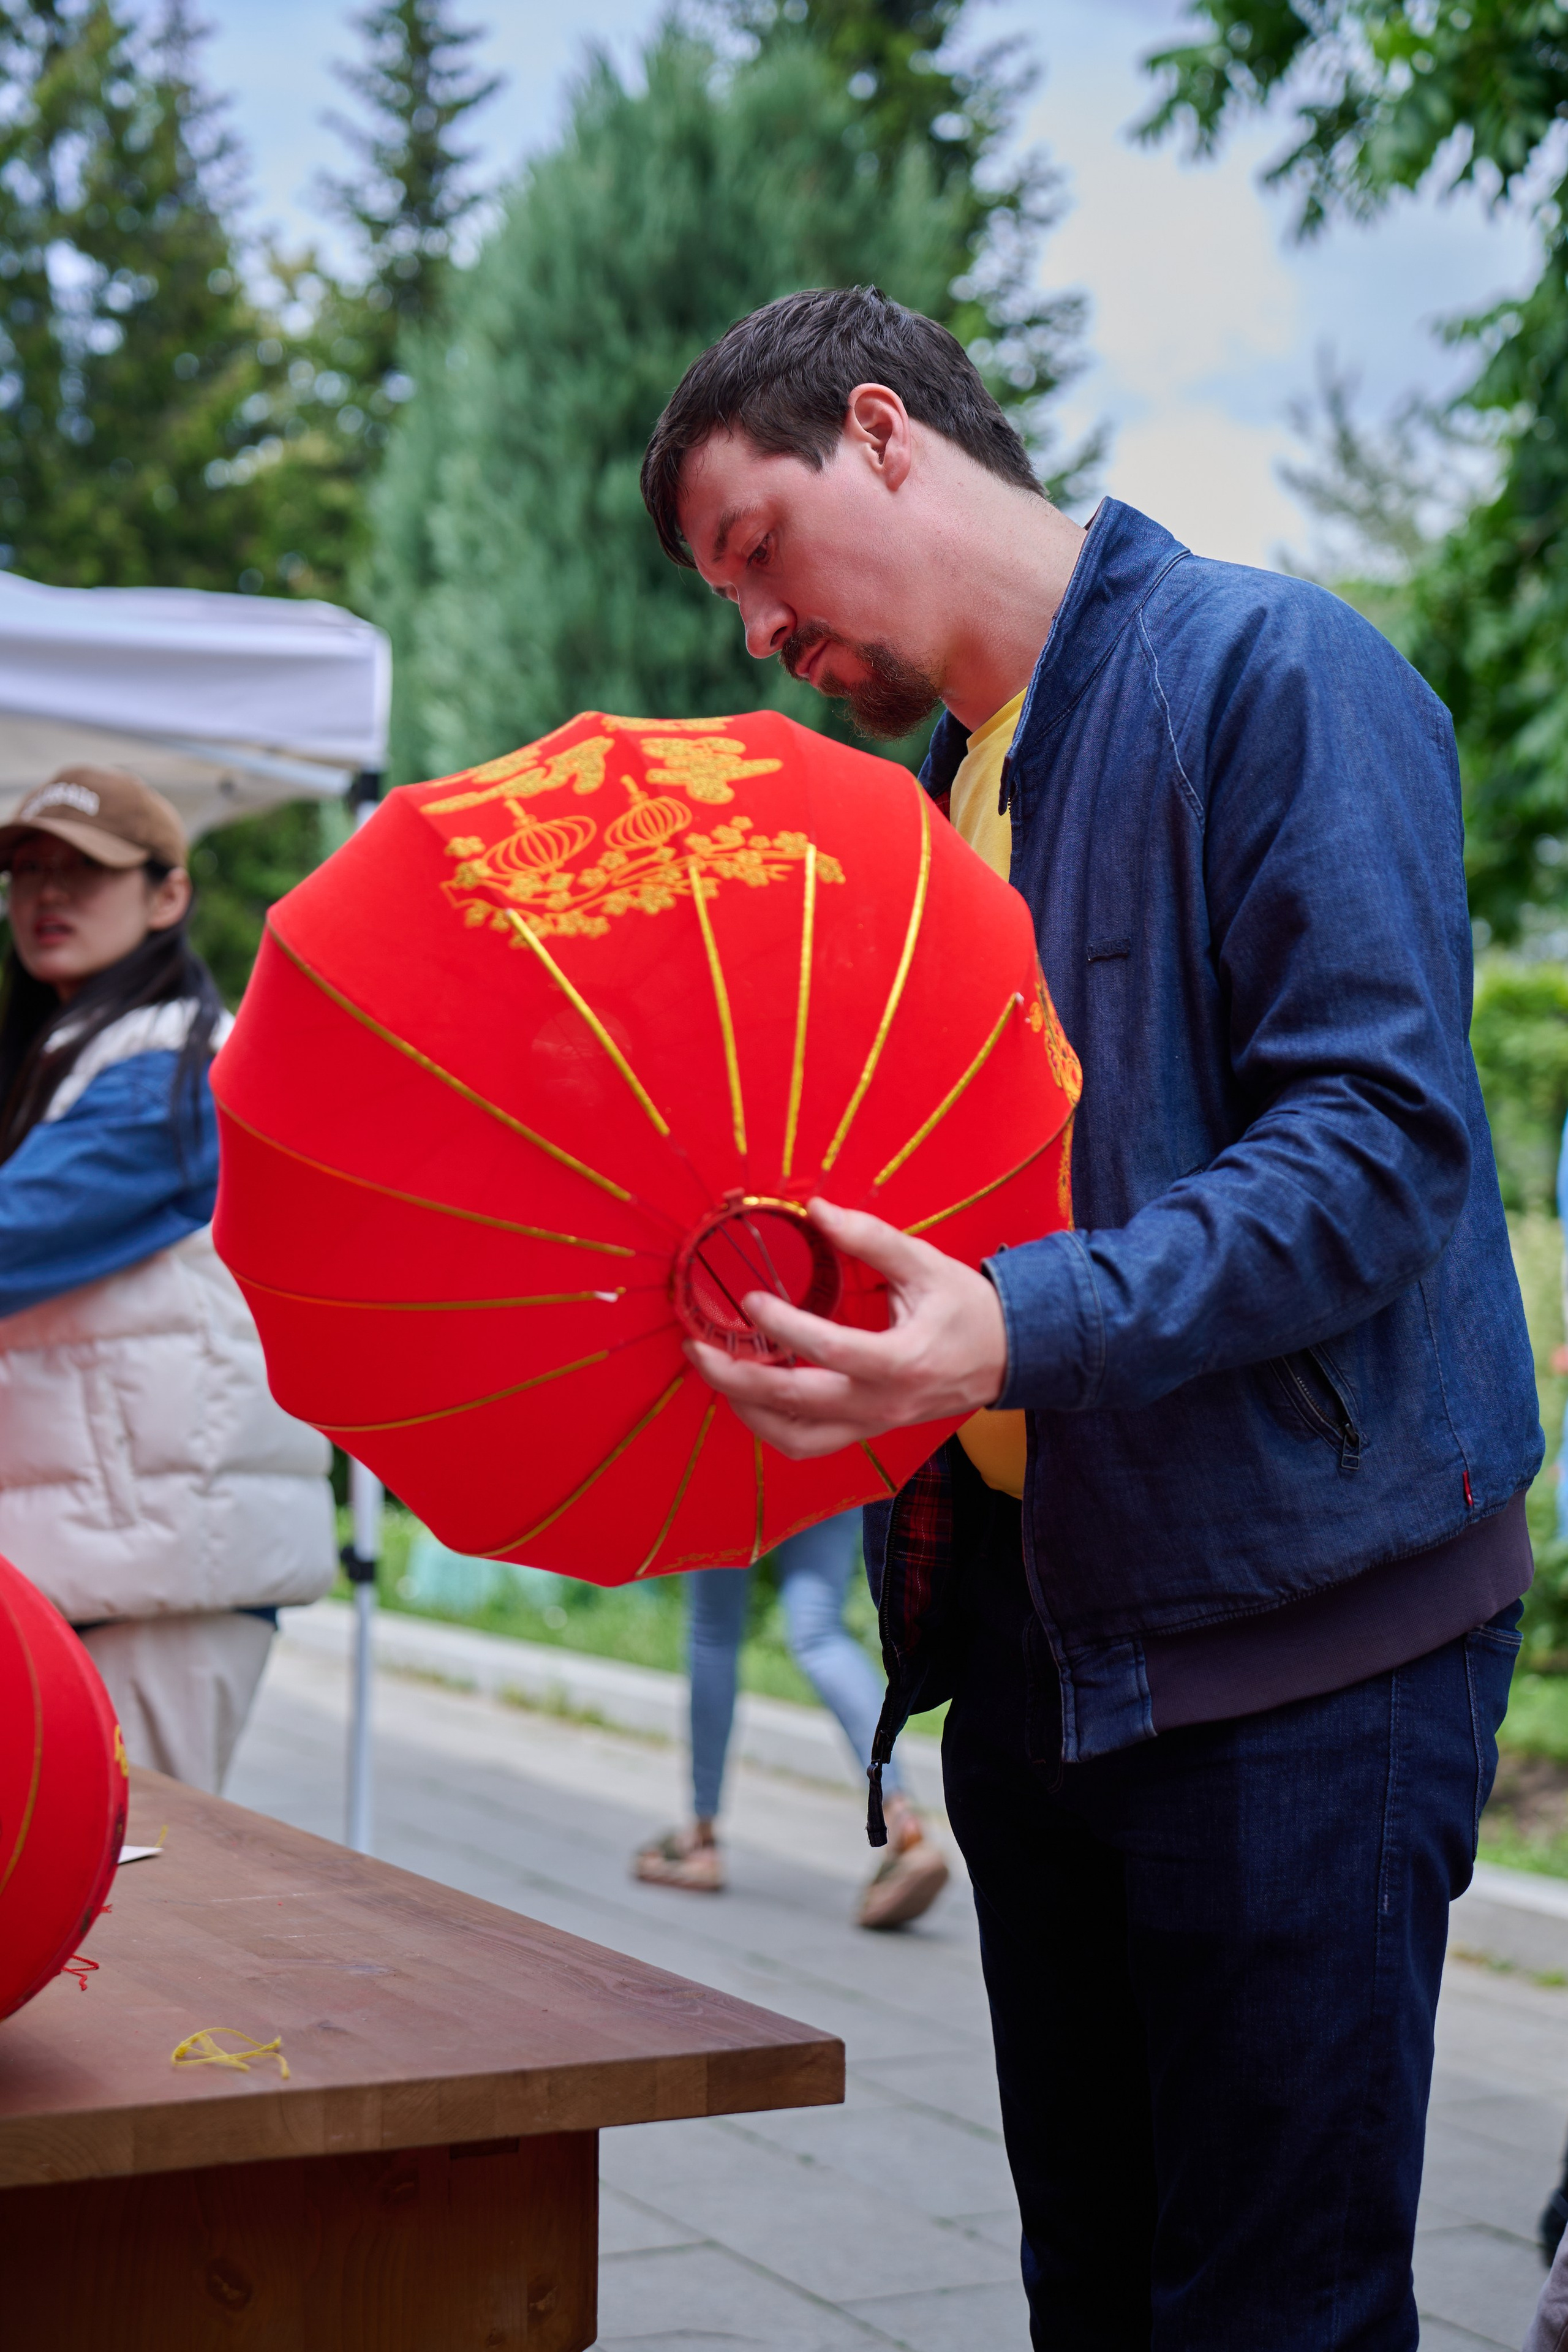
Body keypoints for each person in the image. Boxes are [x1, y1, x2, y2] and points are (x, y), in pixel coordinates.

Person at [637, 287, 1542, 2348]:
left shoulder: (1272, 669)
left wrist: (1013, 1330)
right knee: (1100, 2299)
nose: (756, 637)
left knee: (1275, 2316)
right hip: (1052, 1656)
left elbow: (1384, 1145)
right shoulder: (940, 792)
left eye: (753, 553)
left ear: (881, 431)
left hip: (1308, 1647)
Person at [0, 765, 336, 1792]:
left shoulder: (181, 1068)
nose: (48, 896)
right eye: (27, 871)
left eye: (85, 872)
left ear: (168, 895)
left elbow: (14, 1234)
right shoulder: (73, 1051)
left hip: (155, 1590)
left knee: (134, 1912)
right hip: (88, 1562)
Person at [633, 1509, 949, 1929]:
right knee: (820, 1635)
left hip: (737, 1457)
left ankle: (701, 1840)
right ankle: (903, 1822)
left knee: (714, 1633)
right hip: (830, 1450)